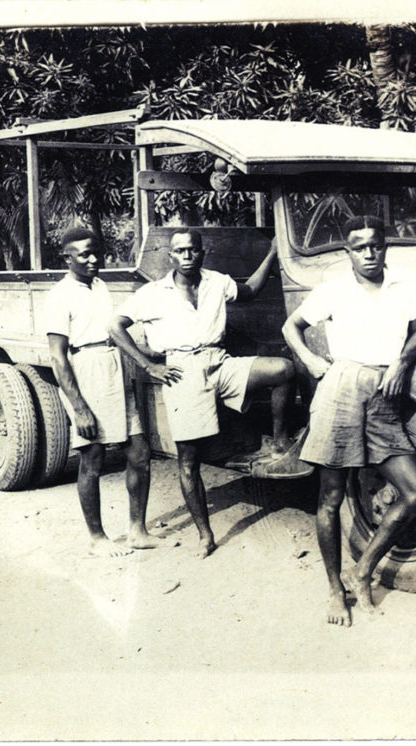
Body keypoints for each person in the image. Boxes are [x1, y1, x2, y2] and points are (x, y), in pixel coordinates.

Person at [109, 228, 298, 559]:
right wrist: (148, 365)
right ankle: (205, 535)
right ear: (171, 256)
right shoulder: (153, 294)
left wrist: (273, 253)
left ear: (202, 253)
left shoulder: (216, 281)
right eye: (180, 251)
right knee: (189, 459)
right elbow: (114, 327)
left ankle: (282, 443)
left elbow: (251, 290)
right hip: (182, 371)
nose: (187, 256)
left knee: (282, 370)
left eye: (192, 250)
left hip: (219, 361)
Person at [282, 215, 416, 627]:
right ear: (347, 251)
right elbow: (291, 326)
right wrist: (312, 361)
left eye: (375, 245)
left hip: (384, 391)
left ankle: (363, 570)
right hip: (342, 387)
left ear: (385, 246)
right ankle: (335, 591)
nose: (369, 253)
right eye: (359, 247)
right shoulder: (334, 289)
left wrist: (402, 362)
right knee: (330, 498)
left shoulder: (406, 284)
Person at [44, 228, 175, 557]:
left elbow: (115, 331)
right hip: (87, 371)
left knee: (140, 453)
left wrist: (146, 361)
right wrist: (80, 408)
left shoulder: (100, 285)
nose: (92, 259)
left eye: (95, 252)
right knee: (93, 459)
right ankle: (97, 538)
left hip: (116, 368)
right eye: (83, 254)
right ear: (67, 258)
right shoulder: (60, 295)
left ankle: (137, 530)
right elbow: (58, 357)